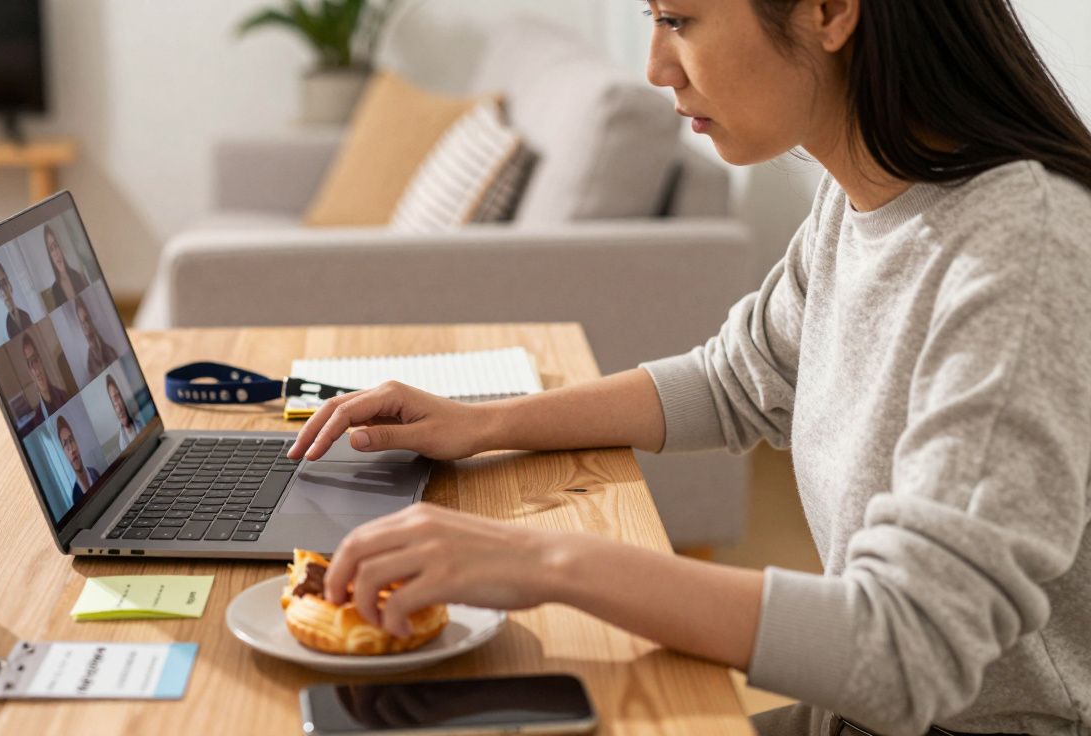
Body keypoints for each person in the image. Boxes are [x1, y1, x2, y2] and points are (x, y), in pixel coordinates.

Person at [287, 1, 1091, 734]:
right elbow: (735, 381)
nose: (655, 66)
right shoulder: (869, 198)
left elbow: (907, 647)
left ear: (830, 11)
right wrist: (483, 421)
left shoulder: (1022, 255)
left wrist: (542, 561)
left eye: (680, 19)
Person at [22, 333, 70, 427]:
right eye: (30, 363)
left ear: (41, 360)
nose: (35, 369)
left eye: (35, 360)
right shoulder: (38, 419)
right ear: (29, 373)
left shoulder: (64, 396)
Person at [56, 415, 100, 505]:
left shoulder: (95, 473)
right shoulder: (75, 496)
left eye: (71, 440)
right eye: (65, 444)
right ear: (64, 453)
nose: (72, 450)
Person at [44, 225, 89, 306]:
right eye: (51, 249)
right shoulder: (55, 289)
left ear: (61, 248)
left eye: (56, 245)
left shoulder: (76, 276)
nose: (56, 253)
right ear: (50, 255)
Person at [75, 296, 118, 378]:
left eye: (87, 319)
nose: (86, 326)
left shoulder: (110, 351)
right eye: (82, 323)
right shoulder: (90, 364)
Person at [0, 258, 33, 339]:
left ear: (9, 284)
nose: (3, 289)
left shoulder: (25, 315)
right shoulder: (5, 327)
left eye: (4, 282)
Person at [105, 374, 143, 453]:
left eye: (118, 396)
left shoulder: (140, 424)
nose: (118, 407)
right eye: (113, 401)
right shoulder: (122, 443)